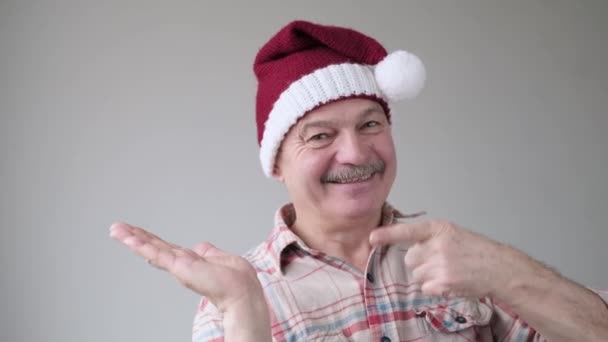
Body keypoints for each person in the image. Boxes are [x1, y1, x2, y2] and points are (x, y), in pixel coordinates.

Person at [110, 20, 608, 341]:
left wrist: (509, 272)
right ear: (278, 164)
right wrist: (245, 313)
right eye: (320, 135)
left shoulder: (460, 264)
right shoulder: (234, 298)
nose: (355, 152)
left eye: (371, 124)